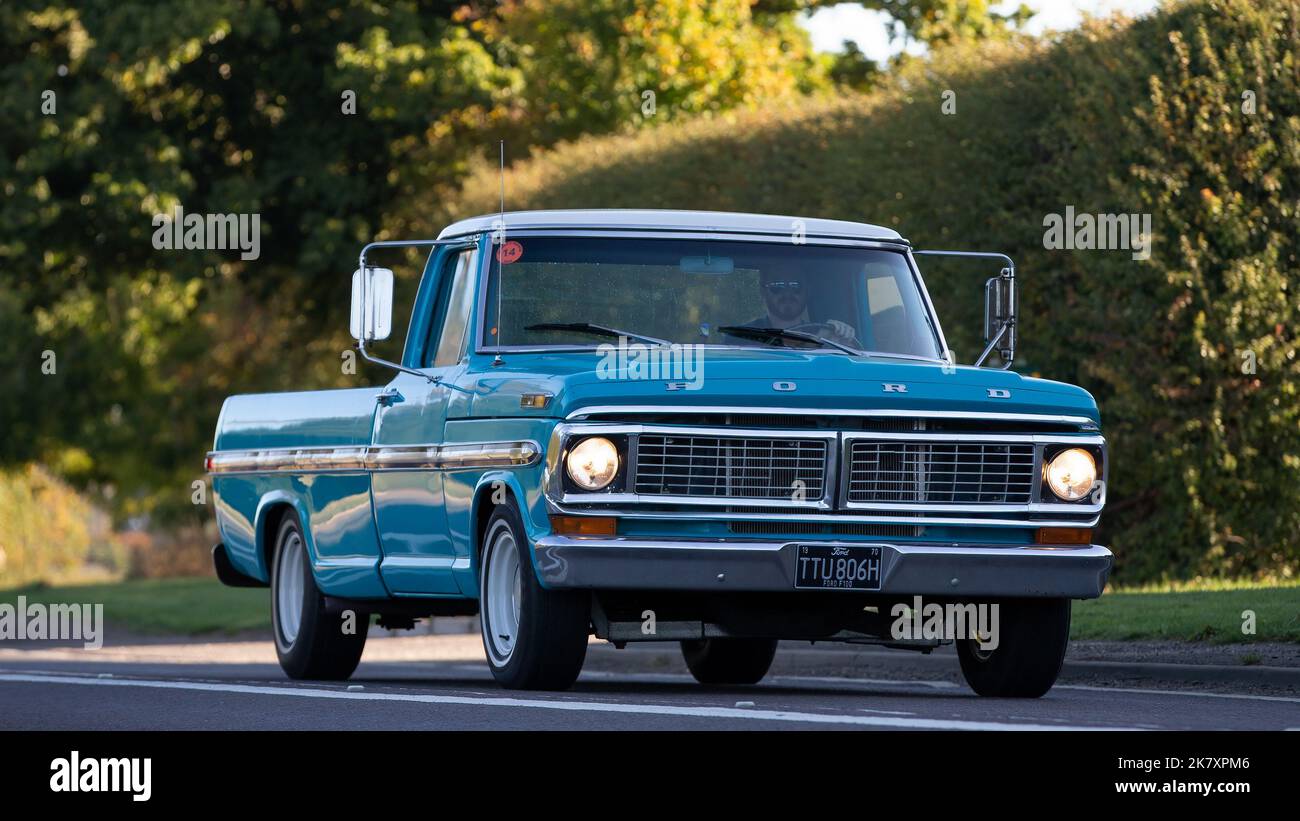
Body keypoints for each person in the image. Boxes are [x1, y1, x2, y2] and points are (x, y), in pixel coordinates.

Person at [745, 266, 858, 346]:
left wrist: (843, 341)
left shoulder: (827, 334)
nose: (787, 293)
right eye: (777, 285)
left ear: (807, 290)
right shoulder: (742, 336)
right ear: (763, 291)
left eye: (796, 285)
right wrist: (818, 342)